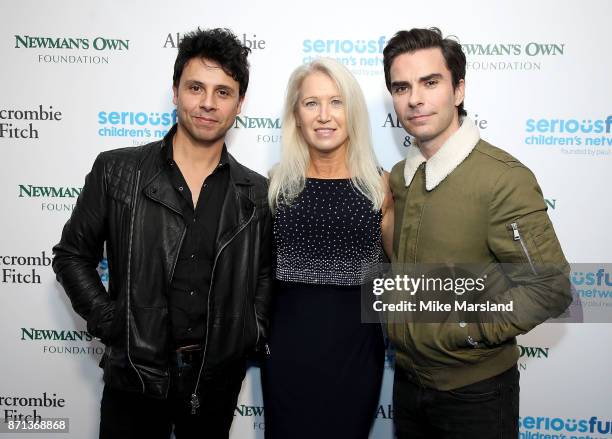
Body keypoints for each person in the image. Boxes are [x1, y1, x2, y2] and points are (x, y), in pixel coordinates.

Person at [52, 28, 272, 439]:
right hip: (134, 375)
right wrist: (113, 321)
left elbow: (261, 274)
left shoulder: (255, 192)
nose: (208, 103)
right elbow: (71, 255)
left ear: (240, 103)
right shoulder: (117, 171)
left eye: (223, 92)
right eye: (196, 88)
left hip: (215, 382)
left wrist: (249, 331)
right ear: (175, 92)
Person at [382, 27, 572, 438]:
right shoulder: (401, 177)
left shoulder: (501, 179)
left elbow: (551, 287)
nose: (415, 98)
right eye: (401, 87)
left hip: (476, 396)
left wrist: (469, 329)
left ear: (459, 90)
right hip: (408, 387)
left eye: (430, 82)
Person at [261, 58, 393, 439]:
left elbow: (400, 270)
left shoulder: (381, 187)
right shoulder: (274, 185)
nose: (324, 116)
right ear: (296, 115)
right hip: (287, 350)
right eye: (311, 103)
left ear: (352, 112)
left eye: (336, 102)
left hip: (357, 352)